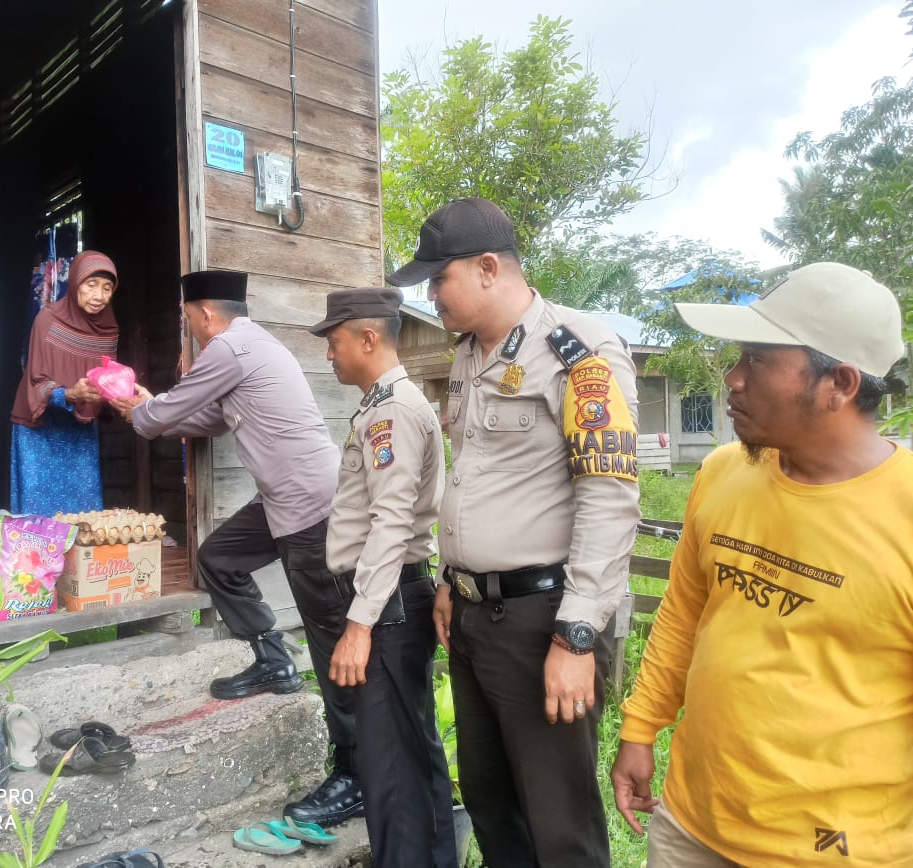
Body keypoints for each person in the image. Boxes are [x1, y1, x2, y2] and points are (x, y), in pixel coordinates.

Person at [611, 262, 912, 867]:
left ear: (840, 383)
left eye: (758, 359)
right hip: (690, 825)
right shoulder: (723, 472)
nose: (733, 378)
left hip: (838, 851)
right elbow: (683, 614)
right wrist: (640, 728)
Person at [387, 197, 640, 867]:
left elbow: (608, 495)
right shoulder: (469, 354)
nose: (431, 296)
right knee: (492, 803)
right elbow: (476, 477)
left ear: (488, 268)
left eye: (439, 279)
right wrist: (452, 579)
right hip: (474, 615)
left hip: (542, 621)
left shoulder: (578, 350)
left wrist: (576, 634)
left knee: (558, 823)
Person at [110, 270, 363, 827]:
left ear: (204, 315)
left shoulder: (229, 348)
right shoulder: (254, 344)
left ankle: (356, 774)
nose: (189, 330)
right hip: (282, 500)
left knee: (328, 642)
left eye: (187, 320)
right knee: (218, 558)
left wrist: (139, 405)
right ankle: (273, 660)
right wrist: (158, 409)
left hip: (311, 509)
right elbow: (212, 419)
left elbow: (158, 420)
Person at [310, 288, 457, 867]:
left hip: (388, 606)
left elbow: (391, 523)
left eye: (334, 341)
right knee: (407, 756)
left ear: (368, 338)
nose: (329, 355)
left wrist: (359, 625)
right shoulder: (381, 406)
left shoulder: (393, 410)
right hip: (391, 602)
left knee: (390, 767)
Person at [9, 250, 120, 515]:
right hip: (40, 431)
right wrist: (69, 394)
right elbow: (36, 379)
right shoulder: (47, 320)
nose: (99, 296)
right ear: (75, 283)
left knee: (83, 514)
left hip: (80, 431)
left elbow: (107, 379)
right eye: (91, 285)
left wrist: (116, 394)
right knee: (40, 517)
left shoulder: (108, 330)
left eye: (107, 288)